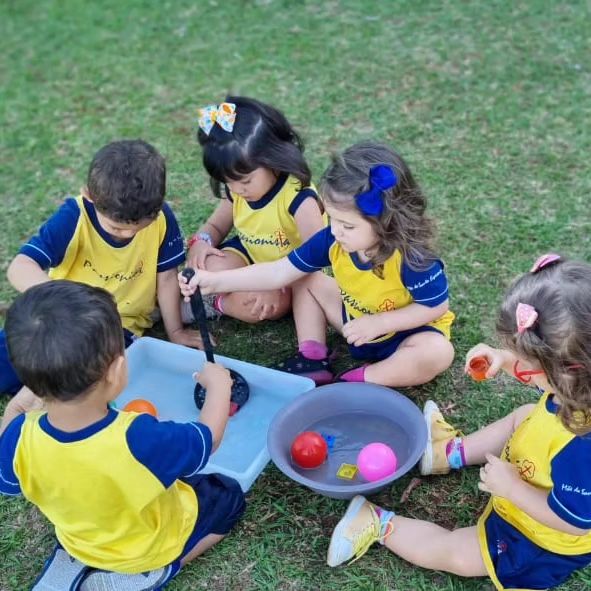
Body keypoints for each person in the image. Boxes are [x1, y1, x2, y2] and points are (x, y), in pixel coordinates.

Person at [326, 254, 591, 591]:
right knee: (524, 416)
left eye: (526, 365)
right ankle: (445, 453)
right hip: (539, 460)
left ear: (567, 372)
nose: (520, 371)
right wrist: (503, 360)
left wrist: (512, 488)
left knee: (462, 557)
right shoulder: (576, 381)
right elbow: (543, 376)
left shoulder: (582, 448)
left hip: (543, 532)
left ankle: (377, 523)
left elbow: (574, 521)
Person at [0, 281, 245, 590]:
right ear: (116, 371)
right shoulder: (137, 437)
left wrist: (18, 407)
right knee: (228, 494)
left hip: (81, 539)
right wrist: (220, 388)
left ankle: (81, 558)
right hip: (148, 545)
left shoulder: (20, 438)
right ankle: (164, 567)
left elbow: (6, 479)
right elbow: (208, 438)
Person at [180, 141, 454, 387]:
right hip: (353, 323)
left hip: (405, 336)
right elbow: (279, 272)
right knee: (305, 278)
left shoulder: (413, 257)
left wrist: (379, 323)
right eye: (332, 219)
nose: (335, 231)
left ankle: (359, 379)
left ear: (388, 220)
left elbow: (435, 306)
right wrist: (214, 281)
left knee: (438, 352)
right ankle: (312, 357)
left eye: (347, 225)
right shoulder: (333, 239)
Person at [0, 139, 202, 429]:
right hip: (54, 320)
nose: (125, 235)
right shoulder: (74, 217)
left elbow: (167, 276)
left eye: (137, 229)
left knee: (81, 387)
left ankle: (26, 413)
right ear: (89, 196)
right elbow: (20, 267)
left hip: (116, 331)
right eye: (116, 227)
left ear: (155, 211)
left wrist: (176, 331)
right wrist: (65, 301)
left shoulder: (161, 219)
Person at [183, 96, 326, 324]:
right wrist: (202, 241)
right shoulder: (237, 190)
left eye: (246, 181)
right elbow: (216, 225)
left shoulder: (299, 198)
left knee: (265, 305)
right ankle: (216, 295)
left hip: (290, 274)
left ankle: (217, 304)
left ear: (272, 159)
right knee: (208, 265)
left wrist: (271, 282)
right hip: (251, 254)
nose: (237, 190)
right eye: (227, 182)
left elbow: (318, 258)